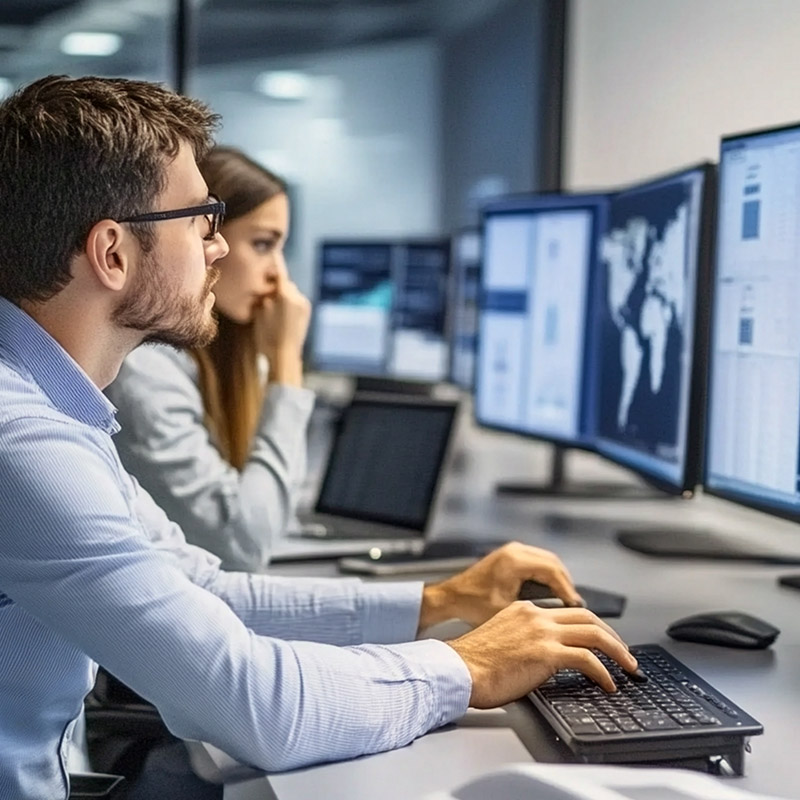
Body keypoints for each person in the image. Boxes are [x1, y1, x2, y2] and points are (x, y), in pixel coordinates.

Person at [0, 75, 638, 800]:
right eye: (203, 220)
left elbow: (200, 589)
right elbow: (253, 705)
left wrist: (436, 600)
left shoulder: (53, 410)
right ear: (112, 253)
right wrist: (466, 667)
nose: (217, 247)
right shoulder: (23, 443)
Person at [107, 146, 311, 571]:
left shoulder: (228, 361)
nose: (279, 275)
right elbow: (242, 545)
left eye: (281, 249)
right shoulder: (146, 369)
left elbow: (268, 518)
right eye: (261, 244)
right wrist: (286, 364)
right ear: (205, 241)